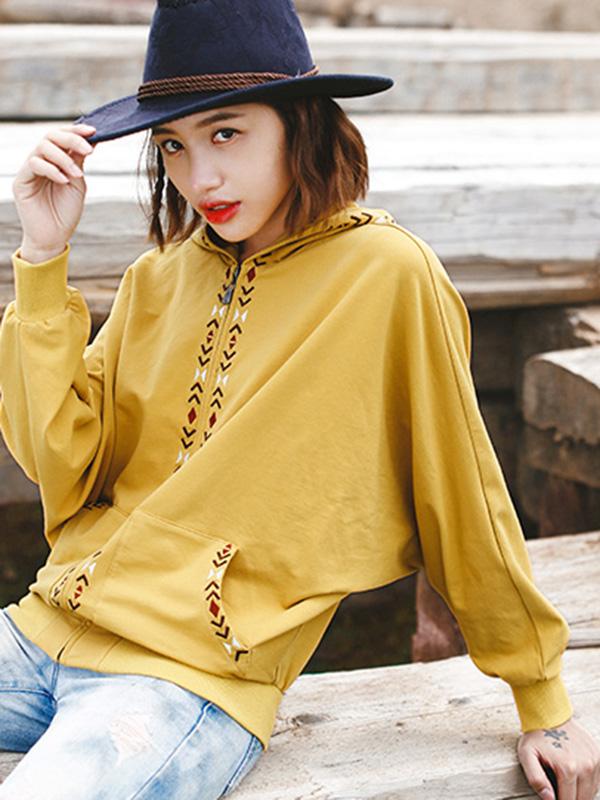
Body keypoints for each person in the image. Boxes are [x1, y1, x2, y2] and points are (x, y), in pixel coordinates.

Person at [0, 0, 598, 798]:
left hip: (185, 680)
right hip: (39, 631)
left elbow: (463, 493)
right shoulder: (159, 279)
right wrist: (44, 260)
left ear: (300, 122)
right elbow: (60, 464)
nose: (199, 177)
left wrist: (542, 697)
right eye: (173, 145)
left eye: (226, 133)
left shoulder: (387, 276)